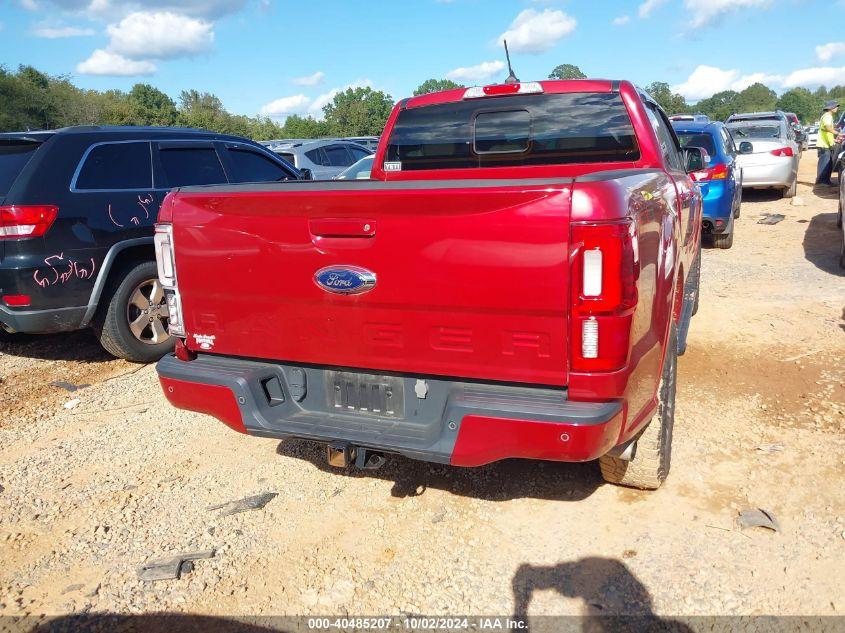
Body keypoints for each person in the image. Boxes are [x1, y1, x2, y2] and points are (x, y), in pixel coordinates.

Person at [815, 100, 839, 186]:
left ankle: (826, 181)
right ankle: (822, 182)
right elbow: (828, 128)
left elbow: (826, 132)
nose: (837, 108)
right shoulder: (827, 116)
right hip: (824, 145)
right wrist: (838, 133)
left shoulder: (826, 116)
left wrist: (834, 140)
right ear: (831, 108)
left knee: (828, 164)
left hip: (825, 144)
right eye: (835, 106)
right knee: (824, 164)